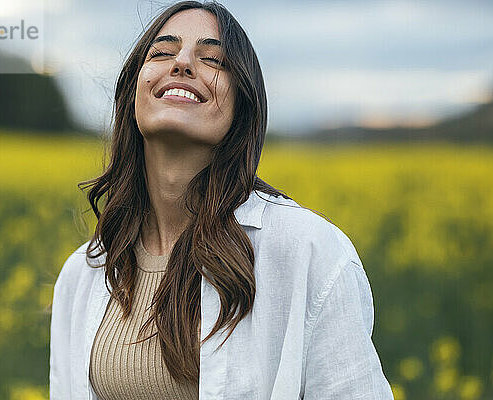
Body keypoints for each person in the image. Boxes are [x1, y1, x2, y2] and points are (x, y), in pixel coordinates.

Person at [49, 1, 395, 399]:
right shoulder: (83, 273)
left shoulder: (309, 252)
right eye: (162, 52)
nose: (181, 63)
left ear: (241, 106)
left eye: (212, 59)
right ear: (133, 93)